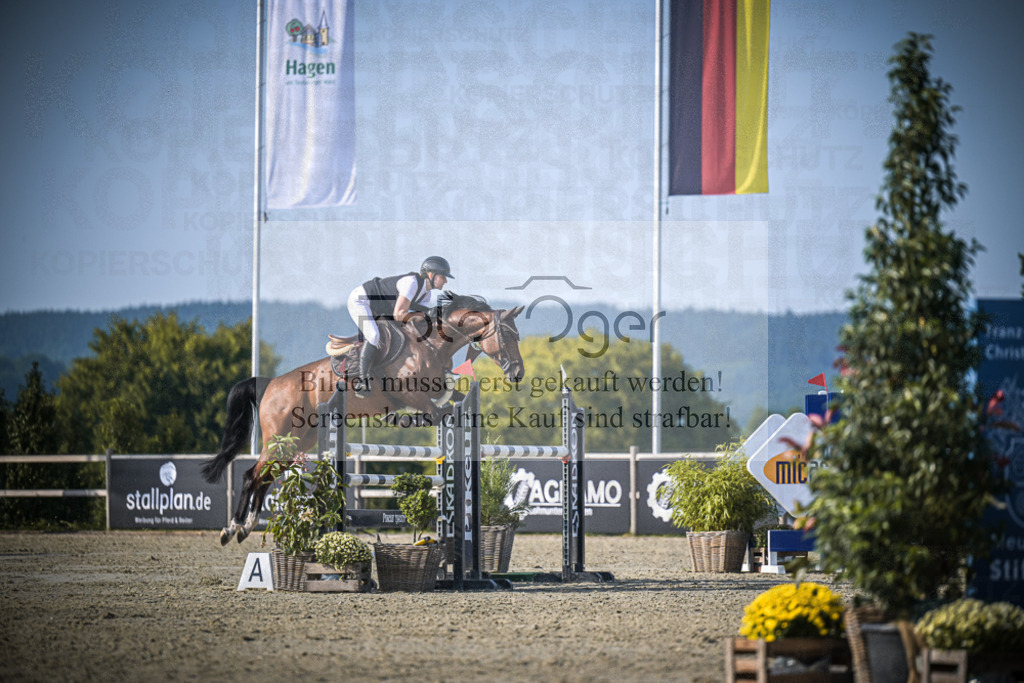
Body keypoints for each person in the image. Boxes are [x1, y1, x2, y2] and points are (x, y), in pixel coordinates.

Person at [346, 256, 454, 398]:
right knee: (373, 335)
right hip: (361, 301)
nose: (445, 281)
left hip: (382, 309)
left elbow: (418, 322)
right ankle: (363, 380)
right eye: (443, 276)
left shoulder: (426, 294)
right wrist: (426, 315)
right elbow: (399, 315)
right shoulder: (411, 283)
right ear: (431, 275)